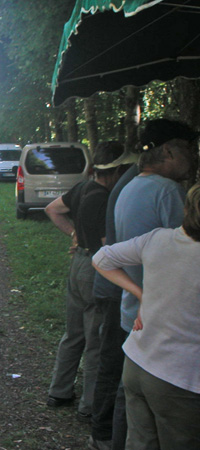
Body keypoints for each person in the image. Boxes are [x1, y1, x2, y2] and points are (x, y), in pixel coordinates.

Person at [109, 119, 198, 450]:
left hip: (135, 319)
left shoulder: (130, 187)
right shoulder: (168, 192)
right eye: (189, 148)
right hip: (166, 328)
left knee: (137, 421)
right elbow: (187, 255)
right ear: (170, 151)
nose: (194, 156)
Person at [92, 182, 200, 450]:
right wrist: (141, 294)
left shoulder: (157, 238)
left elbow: (102, 258)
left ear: (186, 209)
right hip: (179, 377)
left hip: (138, 363)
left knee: (140, 442)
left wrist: (140, 293)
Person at [44, 142, 133, 423]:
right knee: (96, 339)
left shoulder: (83, 188)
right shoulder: (105, 199)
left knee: (73, 334)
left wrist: (75, 234)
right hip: (96, 268)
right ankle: (90, 406)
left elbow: (52, 209)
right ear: (117, 170)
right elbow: (107, 245)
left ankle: (59, 391)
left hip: (78, 265)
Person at [88, 160, 138, 450]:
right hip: (114, 290)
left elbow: (54, 209)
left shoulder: (95, 190)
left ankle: (97, 421)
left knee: (98, 351)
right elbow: (107, 247)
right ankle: (104, 431)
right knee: (112, 361)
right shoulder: (111, 192)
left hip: (106, 284)